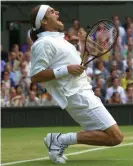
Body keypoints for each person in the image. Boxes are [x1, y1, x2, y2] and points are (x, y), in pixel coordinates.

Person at [29, 5, 123, 164]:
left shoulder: (60, 40)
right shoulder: (43, 43)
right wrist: (66, 69)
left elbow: (75, 68)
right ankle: (58, 140)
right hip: (76, 95)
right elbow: (35, 76)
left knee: (113, 136)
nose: (57, 12)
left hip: (83, 92)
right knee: (115, 137)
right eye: (52, 12)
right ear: (43, 21)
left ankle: (58, 140)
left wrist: (85, 50)